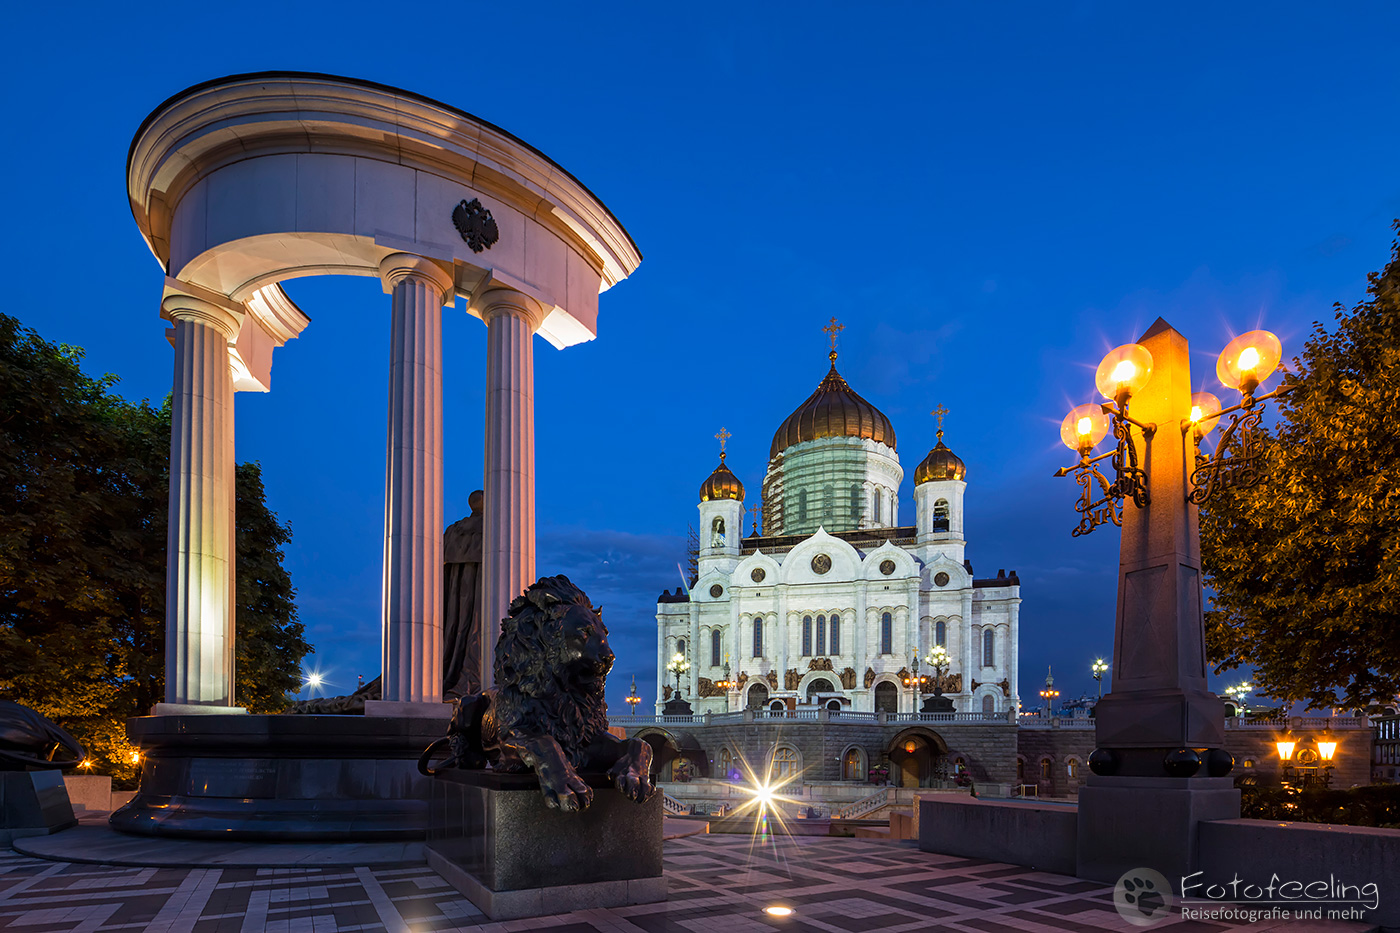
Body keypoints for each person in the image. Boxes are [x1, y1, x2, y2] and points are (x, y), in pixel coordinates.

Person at [443, 490, 484, 699]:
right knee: (477, 627)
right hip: (480, 594)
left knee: (458, 629)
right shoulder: (491, 528)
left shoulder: (453, 531)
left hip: (455, 600)